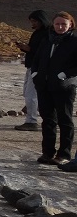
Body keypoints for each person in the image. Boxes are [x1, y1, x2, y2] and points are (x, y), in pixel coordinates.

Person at [32, 11, 77, 166]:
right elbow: (37, 58)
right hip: (44, 86)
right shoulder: (48, 39)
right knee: (48, 120)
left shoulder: (74, 41)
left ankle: (64, 154)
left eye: (64, 24)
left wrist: (64, 75)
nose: (60, 27)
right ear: (53, 24)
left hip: (64, 87)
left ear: (70, 25)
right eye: (57, 24)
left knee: (65, 120)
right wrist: (35, 74)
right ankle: (48, 152)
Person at [13, 10, 51, 131]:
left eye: (34, 21)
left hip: (39, 68)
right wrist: (25, 49)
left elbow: (41, 52)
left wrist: (28, 49)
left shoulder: (47, 34)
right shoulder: (37, 33)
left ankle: (32, 121)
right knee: (27, 93)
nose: (33, 23)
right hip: (32, 66)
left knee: (31, 95)